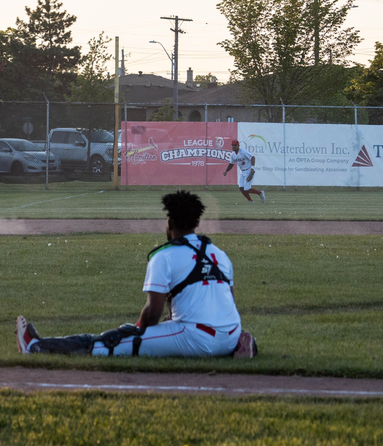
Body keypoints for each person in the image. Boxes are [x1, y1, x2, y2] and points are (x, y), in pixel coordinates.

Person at [15, 189, 257, 359]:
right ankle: (244, 345)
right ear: (195, 223)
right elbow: (230, 302)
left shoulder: (164, 256)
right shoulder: (219, 254)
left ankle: (35, 346)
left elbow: (153, 312)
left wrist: (138, 327)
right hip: (232, 332)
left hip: (196, 336)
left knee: (114, 341)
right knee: (161, 332)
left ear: (170, 222)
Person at [224, 139, 266, 203]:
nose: (233, 147)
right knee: (241, 188)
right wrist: (226, 171)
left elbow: (252, 157)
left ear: (238, 146)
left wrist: (252, 168)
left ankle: (260, 193)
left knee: (247, 188)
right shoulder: (233, 154)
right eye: (232, 145)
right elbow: (231, 164)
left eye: (235, 145)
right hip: (242, 171)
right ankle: (250, 200)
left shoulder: (243, 152)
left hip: (248, 170)